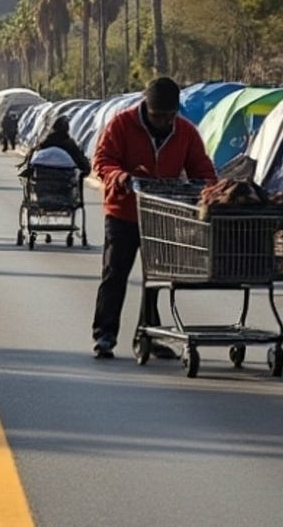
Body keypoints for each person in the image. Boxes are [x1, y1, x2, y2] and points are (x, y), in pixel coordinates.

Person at [91, 77, 215, 360]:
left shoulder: (185, 132)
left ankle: (147, 335)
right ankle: (104, 335)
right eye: (158, 116)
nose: (164, 122)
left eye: (169, 116)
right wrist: (119, 176)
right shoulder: (121, 124)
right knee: (114, 273)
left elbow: (201, 168)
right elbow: (102, 160)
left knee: (155, 279)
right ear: (146, 107)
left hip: (161, 214)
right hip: (123, 212)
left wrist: (209, 190)